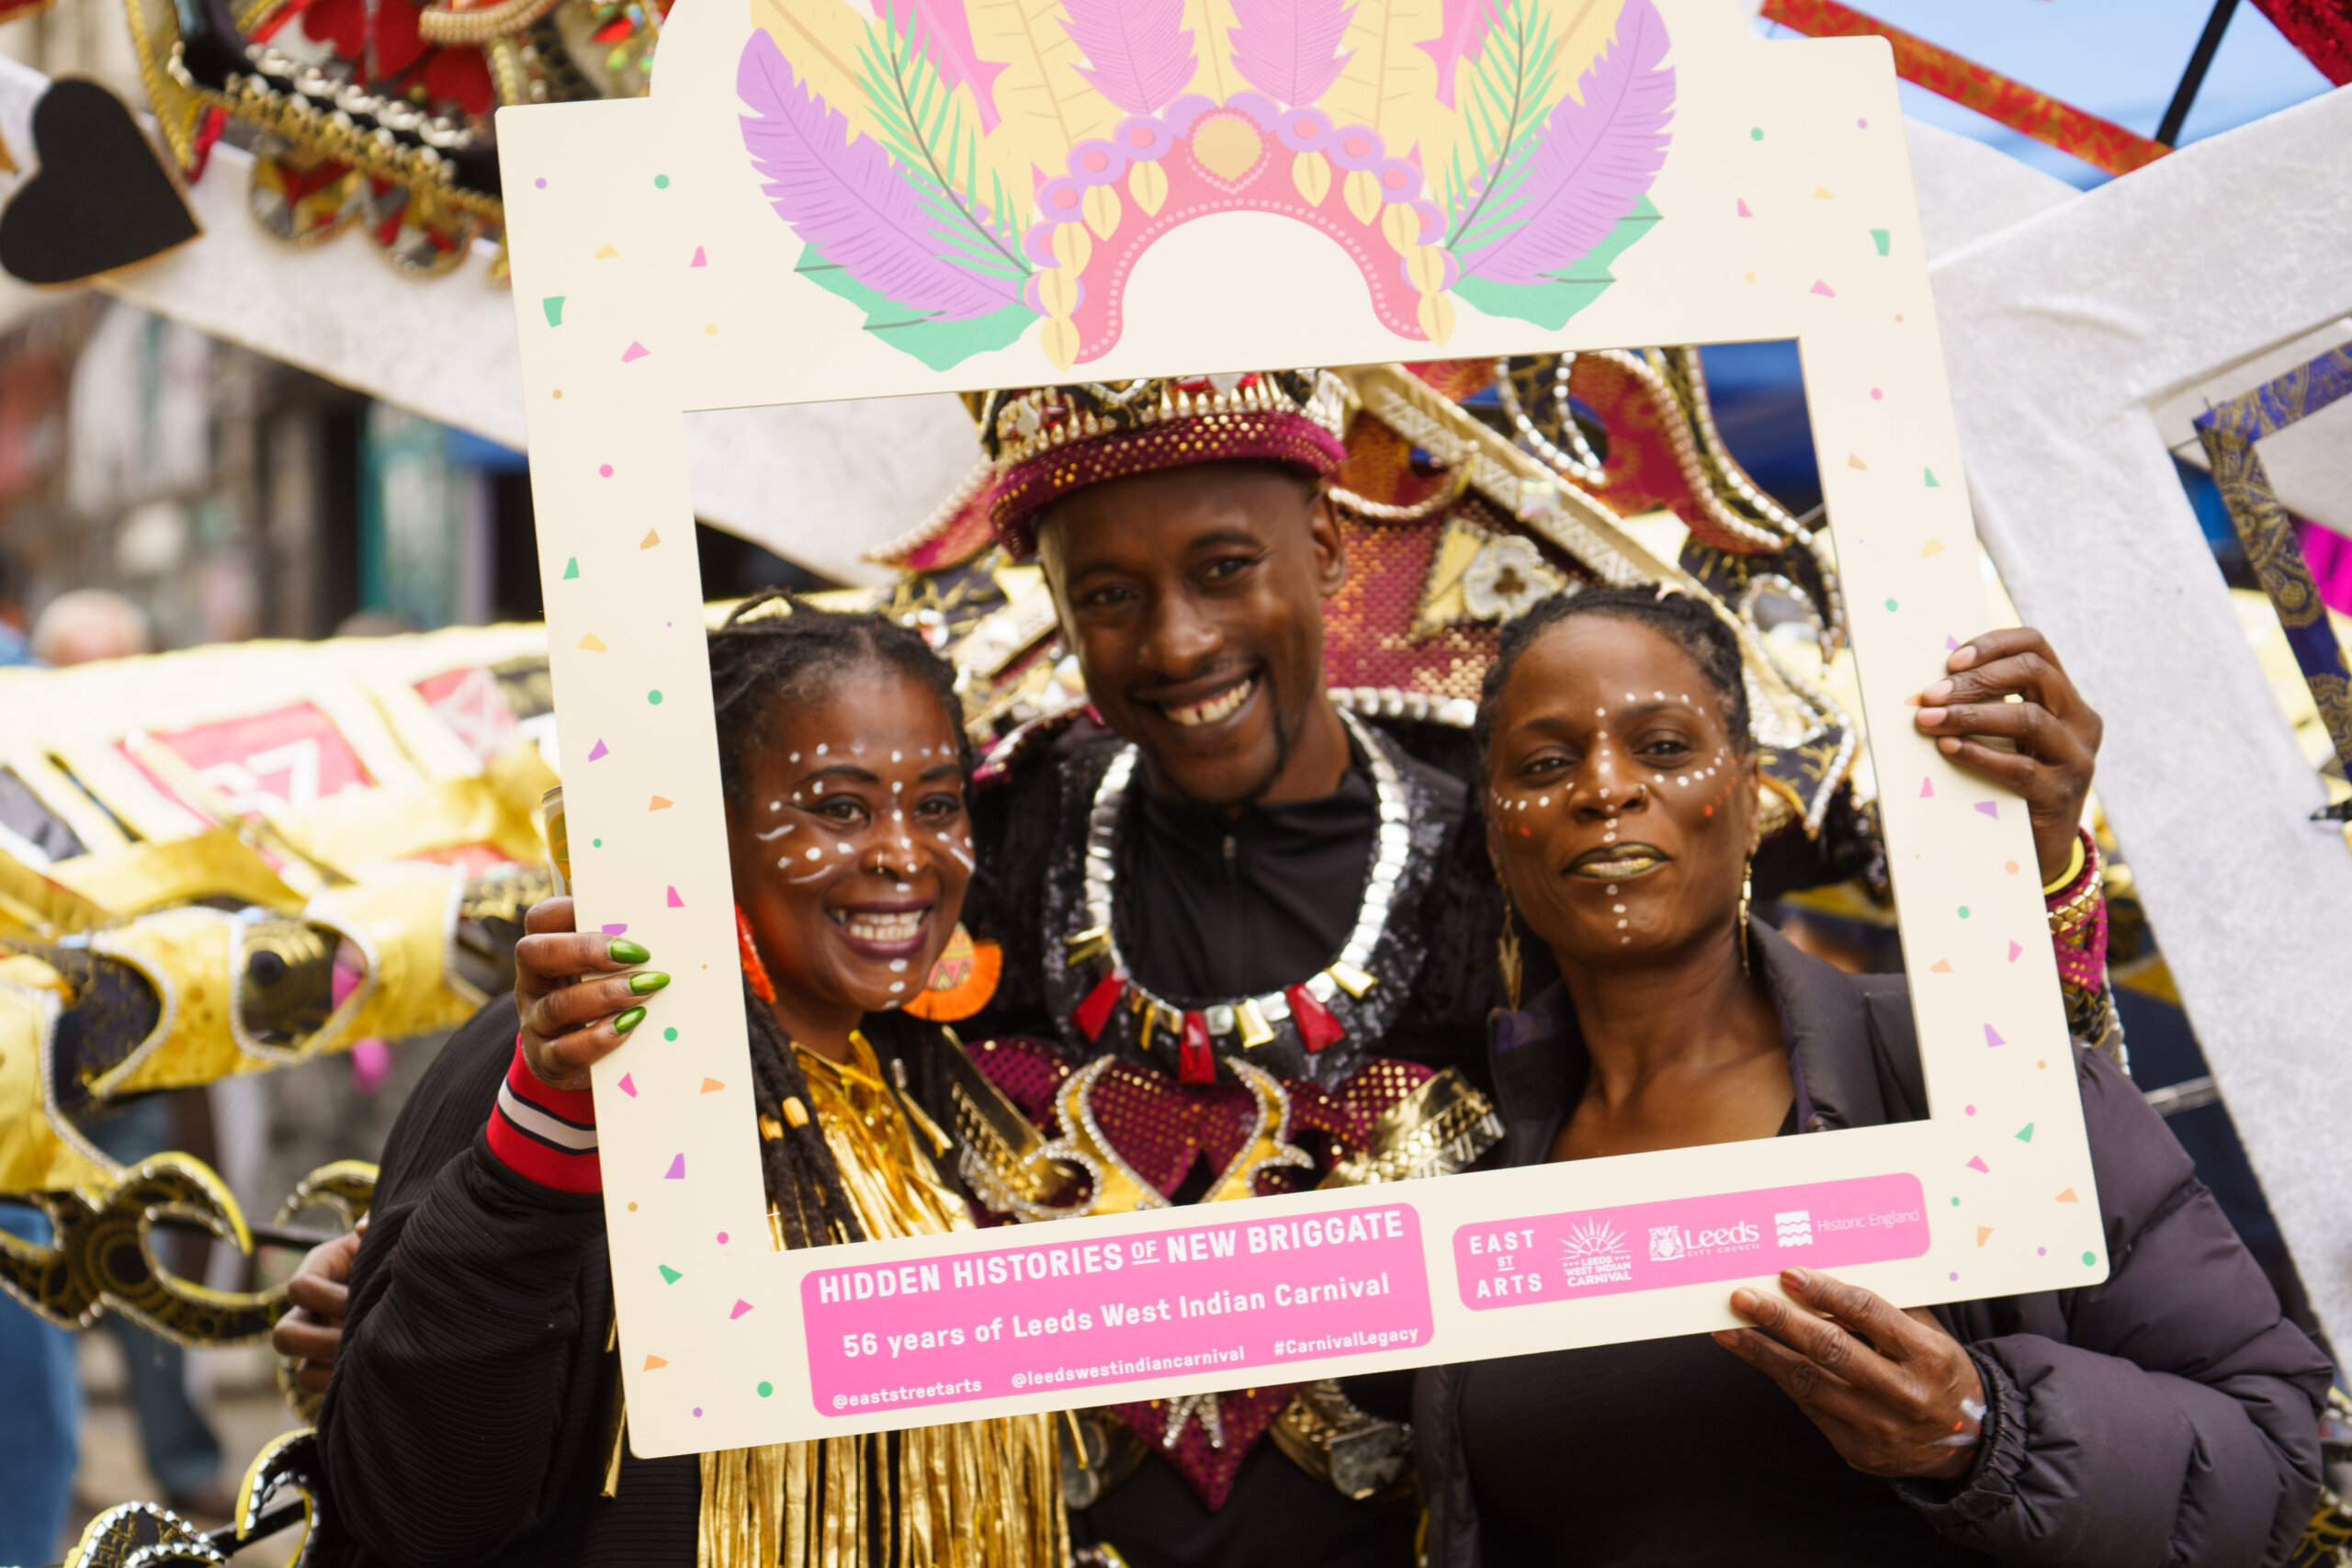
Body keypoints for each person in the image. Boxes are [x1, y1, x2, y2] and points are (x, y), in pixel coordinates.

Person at [948, 374, 2123, 1568]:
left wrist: (2025, 867)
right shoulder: (982, 844)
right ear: (1050, 598)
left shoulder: (1526, 853)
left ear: (1324, 538)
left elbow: (1975, 1146)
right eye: (1104, 593)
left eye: (1222, 567)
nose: (1178, 640)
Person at [1414, 587, 2331, 1566]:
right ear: (1500, 838)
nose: (1605, 788)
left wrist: (1982, 1433)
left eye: (1664, 749)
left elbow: (2270, 1459)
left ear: (1754, 790)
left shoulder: (1958, 1069)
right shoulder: (1479, 1184)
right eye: (1547, 765)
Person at [307, 602, 1065, 1568]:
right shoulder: (572, 1056)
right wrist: (531, 1171)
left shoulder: (937, 1084)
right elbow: (415, 1510)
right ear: (706, 827)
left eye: (936, 804)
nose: (902, 853)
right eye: (838, 806)